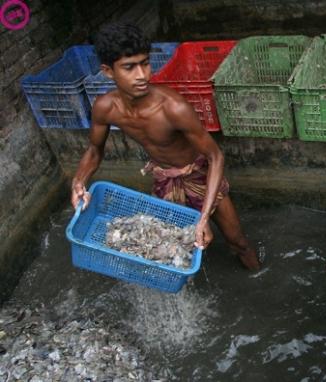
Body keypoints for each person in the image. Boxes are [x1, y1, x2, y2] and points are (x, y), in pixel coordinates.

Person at [70, 23, 260, 271]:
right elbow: (95, 151)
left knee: (238, 242)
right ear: (108, 71)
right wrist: (78, 182)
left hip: (200, 176)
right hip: (164, 179)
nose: (142, 75)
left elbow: (215, 156)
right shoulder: (105, 108)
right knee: (171, 250)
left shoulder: (172, 107)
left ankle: (257, 275)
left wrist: (203, 218)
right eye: (129, 67)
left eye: (145, 63)